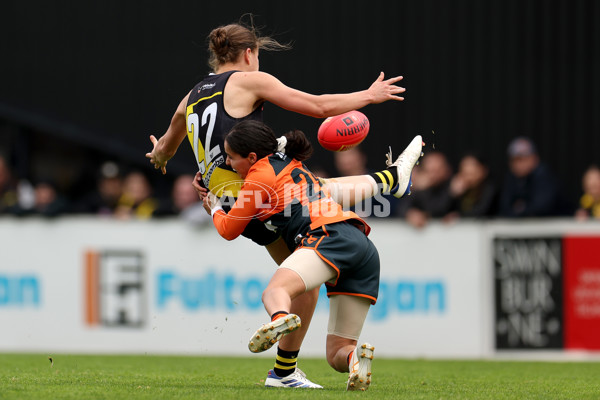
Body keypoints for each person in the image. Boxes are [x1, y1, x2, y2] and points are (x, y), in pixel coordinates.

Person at [145, 19, 417, 388]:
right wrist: (368, 96)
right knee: (305, 247)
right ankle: (284, 372)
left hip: (231, 200)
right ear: (248, 53)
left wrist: (160, 156)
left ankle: (392, 181)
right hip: (258, 195)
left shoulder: (191, 95)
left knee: (311, 220)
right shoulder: (249, 80)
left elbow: (168, 140)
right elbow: (318, 106)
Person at [198, 120, 421, 391]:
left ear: (252, 157)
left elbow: (229, 230)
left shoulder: (259, 175)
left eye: (232, 158)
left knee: (274, 292)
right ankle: (355, 359)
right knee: (338, 352)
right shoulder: (289, 159)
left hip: (328, 237)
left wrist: (214, 207)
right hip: (362, 246)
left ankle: (280, 319)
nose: (230, 165)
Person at [498, 137, 571, 217]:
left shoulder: (544, 175)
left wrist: (520, 208)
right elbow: (505, 207)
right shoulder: (511, 178)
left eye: (522, 159)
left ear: (534, 158)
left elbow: (542, 207)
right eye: (514, 160)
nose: (518, 165)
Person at [400, 151, 454, 228]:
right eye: (430, 171)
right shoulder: (420, 189)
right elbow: (402, 208)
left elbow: (440, 210)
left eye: (437, 171)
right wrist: (410, 214)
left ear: (447, 170)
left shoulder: (452, 188)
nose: (433, 176)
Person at [445, 153, 498, 221]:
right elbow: (443, 212)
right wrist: (452, 194)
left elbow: (482, 212)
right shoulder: (461, 190)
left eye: (472, 174)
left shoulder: (490, 190)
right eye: (465, 174)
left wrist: (460, 216)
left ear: (484, 171)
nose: (469, 178)